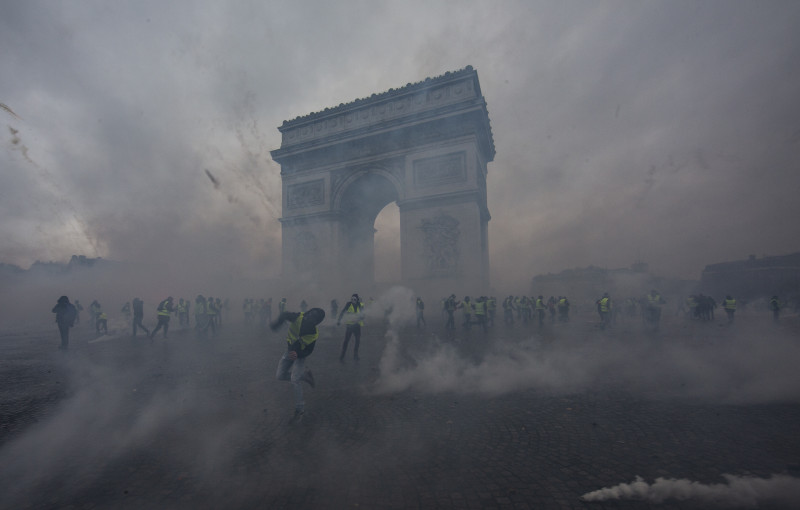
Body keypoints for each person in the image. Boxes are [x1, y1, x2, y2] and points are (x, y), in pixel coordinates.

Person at [271, 307, 325, 423]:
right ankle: (305, 376)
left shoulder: (313, 333)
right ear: (308, 312)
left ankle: (299, 410)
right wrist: (277, 324)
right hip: (289, 351)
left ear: (317, 321)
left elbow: (309, 350)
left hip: (299, 356)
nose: (310, 317)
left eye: (314, 317)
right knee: (279, 376)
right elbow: (284, 314)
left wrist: (298, 353)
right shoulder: (298, 317)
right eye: (310, 314)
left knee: (295, 380)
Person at [337, 294, 364, 362]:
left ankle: (355, 355)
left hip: (357, 326)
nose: (352, 301)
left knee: (357, 341)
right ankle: (342, 355)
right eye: (351, 299)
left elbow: (363, 315)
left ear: (357, 300)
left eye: (354, 299)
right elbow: (342, 312)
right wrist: (339, 320)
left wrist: (361, 317)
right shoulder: (348, 304)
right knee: (346, 341)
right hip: (350, 326)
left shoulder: (360, 305)